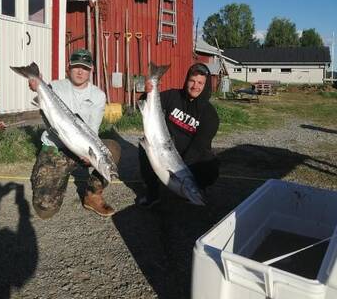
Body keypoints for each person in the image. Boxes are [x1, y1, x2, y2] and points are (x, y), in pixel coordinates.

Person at [29, 48, 121, 219]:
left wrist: (87, 154)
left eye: (85, 68)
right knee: (45, 210)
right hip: (56, 148)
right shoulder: (55, 87)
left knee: (112, 149)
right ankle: (55, 180)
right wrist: (37, 86)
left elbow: (92, 130)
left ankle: (92, 196)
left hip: (81, 148)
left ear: (91, 70)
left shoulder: (98, 95)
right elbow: (43, 105)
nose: (80, 71)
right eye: (76, 67)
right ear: (68, 68)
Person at [137, 62, 220, 208]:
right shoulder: (173, 96)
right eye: (192, 81)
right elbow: (144, 102)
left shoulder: (210, 115)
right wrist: (148, 90)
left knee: (210, 166)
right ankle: (152, 192)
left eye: (200, 83)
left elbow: (198, 147)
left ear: (206, 85)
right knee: (146, 148)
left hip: (191, 154)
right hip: (166, 144)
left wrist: (180, 172)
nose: (195, 86)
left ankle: (197, 188)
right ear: (186, 81)